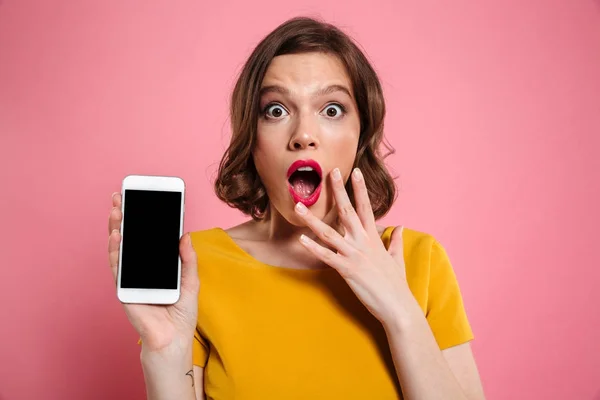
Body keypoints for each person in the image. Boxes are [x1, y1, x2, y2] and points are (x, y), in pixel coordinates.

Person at [107, 16, 486, 400]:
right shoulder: (194, 268)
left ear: (361, 133)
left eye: (332, 109)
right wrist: (165, 354)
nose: (304, 135)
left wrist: (401, 314)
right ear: (251, 138)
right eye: (276, 110)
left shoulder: (417, 262)